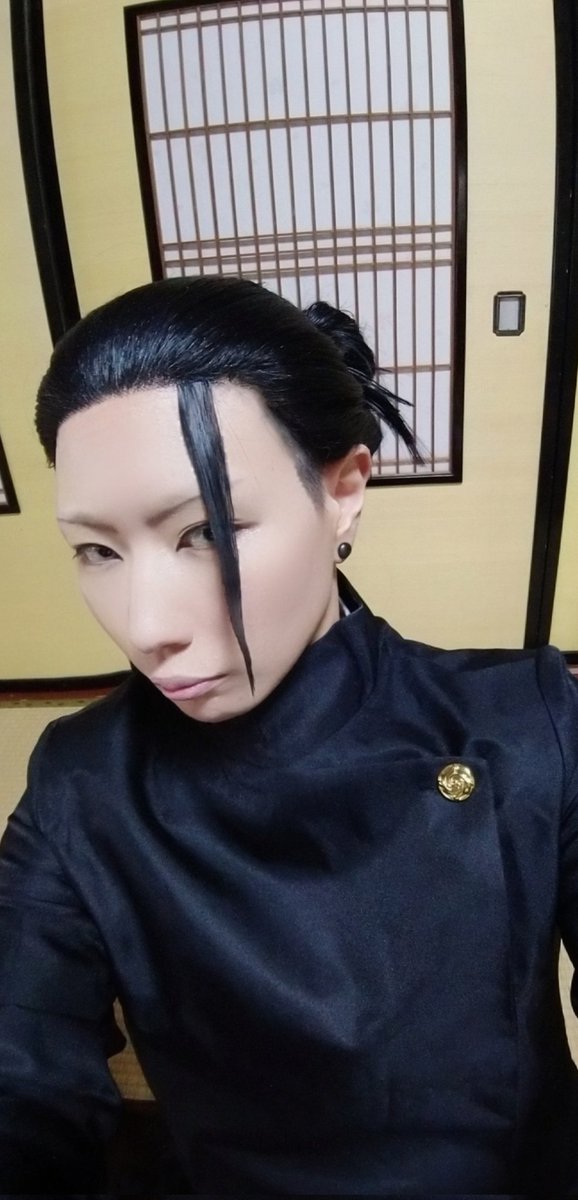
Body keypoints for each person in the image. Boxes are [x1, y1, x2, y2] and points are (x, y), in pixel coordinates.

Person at [1, 274, 578, 1196]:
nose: (146, 626)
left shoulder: (528, 721)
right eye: (97, 550)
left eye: (205, 531)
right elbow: (19, 1071)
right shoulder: (83, 780)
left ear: (343, 489)